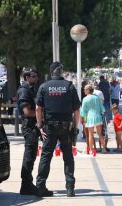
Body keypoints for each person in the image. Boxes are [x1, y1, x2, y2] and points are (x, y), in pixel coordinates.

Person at [35, 62, 81, 197]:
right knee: (68, 157)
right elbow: (77, 110)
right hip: (66, 126)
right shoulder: (69, 86)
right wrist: (75, 127)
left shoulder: (44, 87)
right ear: (61, 72)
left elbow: (38, 108)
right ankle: (70, 188)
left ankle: (40, 186)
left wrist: (40, 126)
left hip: (49, 127)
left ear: (51, 73)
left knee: (46, 156)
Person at [16, 68, 40, 195]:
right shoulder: (24, 91)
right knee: (29, 156)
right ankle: (26, 185)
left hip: (33, 126)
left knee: (31, 156)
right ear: (27, 78)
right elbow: (27, 112)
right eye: (34, 76)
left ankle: (27, 183)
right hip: (28, 126)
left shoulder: (31, 90)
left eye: (37, 76)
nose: (36, 78)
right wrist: (41, 116)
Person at [80, 84, 106, 156]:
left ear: (88, 90)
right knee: (100, 134)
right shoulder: (97, 98)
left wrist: (83, 119)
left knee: (91, 134)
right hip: (98, 117)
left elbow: (83, 111)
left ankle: (91, 150)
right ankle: (104, 149)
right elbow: (102, 108)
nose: (84, 90)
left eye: (85, 89)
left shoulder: (85, 99)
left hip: (89, 118)